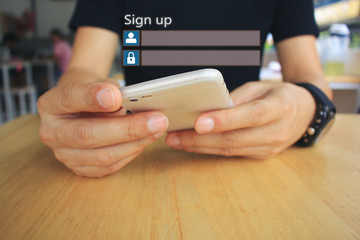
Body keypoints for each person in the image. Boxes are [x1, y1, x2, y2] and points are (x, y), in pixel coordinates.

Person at [37, 0, 334, 178]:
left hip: (253, 158)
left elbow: (308, 75)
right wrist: (77, 109)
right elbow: (84, 69)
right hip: (137, 157)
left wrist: (308, 105)